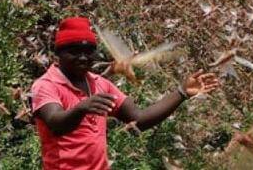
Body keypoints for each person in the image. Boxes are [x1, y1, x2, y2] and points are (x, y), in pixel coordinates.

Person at [31, 17, 220, 169]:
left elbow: (139, 119)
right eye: (74, 51)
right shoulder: (46, 85)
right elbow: (56, 123)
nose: (83, 57)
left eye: (88, 51)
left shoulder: (100, 84)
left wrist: (182, 92)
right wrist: (81, 108)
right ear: (59, 54)